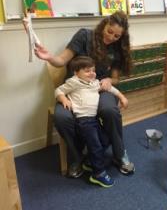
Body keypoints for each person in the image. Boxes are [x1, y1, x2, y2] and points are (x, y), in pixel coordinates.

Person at [26, 11, 135, 178]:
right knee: (62, 117)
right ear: (104, 24)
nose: (111, 37)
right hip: (74, 90)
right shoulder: (85, 36)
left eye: (117, 36)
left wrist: (108, 81)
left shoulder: (118, 48)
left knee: (110, 111)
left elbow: (115, 78)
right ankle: (78, 158)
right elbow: (61, 60)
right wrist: (49, 57)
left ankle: (119, 153)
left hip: (98, 89)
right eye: (109, 31)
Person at [55, 56, 128, 187]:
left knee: (105, 139)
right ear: (76, 73)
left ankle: (89, 161)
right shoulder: (74, 82)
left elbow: (110, 89)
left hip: (94, 120)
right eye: (87, 71)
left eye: (93, 70)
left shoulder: (94, 83)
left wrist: (122, 97)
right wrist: (64, 99)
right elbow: (59, 90)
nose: (92, 73)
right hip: (84, 121)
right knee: (96, 146)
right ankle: (98, 173)